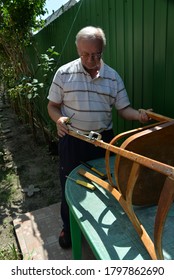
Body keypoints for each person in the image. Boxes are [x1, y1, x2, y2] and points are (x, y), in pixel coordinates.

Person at [47, 26, 149, 249]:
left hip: (103, 141)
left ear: (102, 50)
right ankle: (68, 226)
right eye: (85, 54)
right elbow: (53, 106)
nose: (91, 59)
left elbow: (124, 109)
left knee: (106, 187)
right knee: (69, 185)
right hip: (72, 140)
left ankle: (99, 230)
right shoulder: (63, 74)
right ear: (77, 49)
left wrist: (139, 116)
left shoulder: (112, 77)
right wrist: (59, 120)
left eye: (96, 54)